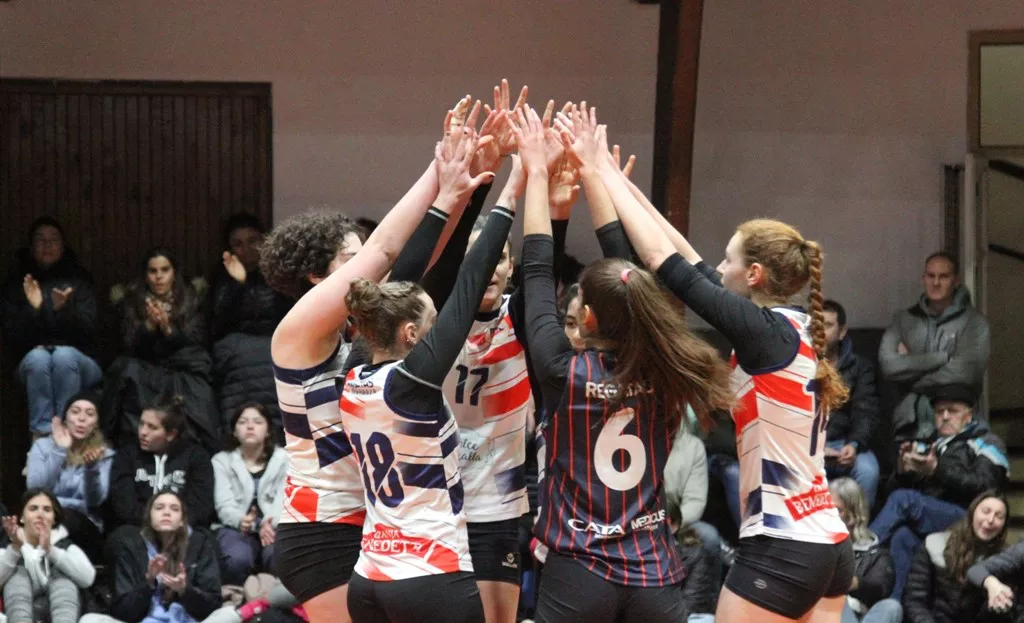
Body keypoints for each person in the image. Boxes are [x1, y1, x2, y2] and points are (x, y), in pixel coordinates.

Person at [601, 108, 853, 620]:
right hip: (828, 540)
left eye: (730, 259)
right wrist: (626, 195)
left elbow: (669, 268)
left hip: (781, 543)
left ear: (755, 274)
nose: (719, 267)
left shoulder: (763, 333)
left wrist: (598, 173)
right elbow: (691, 262)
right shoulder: (793, 329)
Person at [268, 117, 496, 623]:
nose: (369, 270)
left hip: (370, 531)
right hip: (320, 530)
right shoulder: (296, 333)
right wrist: (440, 179)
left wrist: (463, 193)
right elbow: (388, 251)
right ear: (320, 274)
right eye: (351, 260)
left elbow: (414, 273)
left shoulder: (361, 340)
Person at [516, 105, 733, 623]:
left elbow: (537, 270)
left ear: (585, 317)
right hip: (653, 569)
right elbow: (634, 281)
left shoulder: (561, 372)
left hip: (579, 569)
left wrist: (539, 177)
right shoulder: (668, 366)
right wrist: (596, 177)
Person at [337, 138, 517, 623]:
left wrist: (471, 191)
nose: (443, 329)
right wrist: (511, 189)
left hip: (368, 578)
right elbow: (471, 281)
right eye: (433, 325)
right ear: (412, 333)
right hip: (429, 577)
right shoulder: (411, 383)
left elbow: (408, 278)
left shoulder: (352, 375)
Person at [869, 383, 1008, 600]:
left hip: (970, 518)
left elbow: (987, 487)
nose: (944, 416)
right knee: (902, 536)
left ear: (968, 416)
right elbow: (890, 496)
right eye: (939, 411)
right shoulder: (929, 444)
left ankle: (860, 553)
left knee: (905, 500)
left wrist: (936, 470)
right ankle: (893, 608)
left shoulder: (986, 442)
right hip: (933, 518)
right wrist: (902, 472)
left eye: (952, 411)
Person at [102, 247, 219, 449]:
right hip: (145, 366)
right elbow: (126, 345)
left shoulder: (190, 299)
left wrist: (168, 330)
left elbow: (197, 341)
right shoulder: (132, 301)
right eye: (152, 271)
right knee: (125, 371)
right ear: (145, 275)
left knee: (196, 386)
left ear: (174, 272)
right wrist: (148, 326)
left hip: (181, 366)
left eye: (165, 270)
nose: (159, 277)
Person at [1, 216, 101, 437]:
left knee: (63, 357)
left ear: (63, 246)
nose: (47, 245)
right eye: (40, 240)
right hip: (32, 361)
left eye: (53, 240)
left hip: (81, 361)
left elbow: (90, 331)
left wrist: (63, 311)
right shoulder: (16, 283)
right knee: (39, 359)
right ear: (31, 246)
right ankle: (42, 441)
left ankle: (67, 437)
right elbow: (12, 336)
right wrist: (34, 310)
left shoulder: (79, 280)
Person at [879, 252, 990, 441]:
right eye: (931, 276)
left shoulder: (975, 324)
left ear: (956, 280)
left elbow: (966, 374)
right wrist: (939, 358)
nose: (936, 282)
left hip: (957, 424)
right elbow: (889, 366)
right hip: (908, 423)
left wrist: (911, 377)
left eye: (943, 276)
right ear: (923, 279)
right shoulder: (903, 320)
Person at [81, 489, 222, 623]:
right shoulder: (131, 547)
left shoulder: (199, 544)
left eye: (174, 509)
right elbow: (123, 612)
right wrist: (148, 583)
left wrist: (184, 590)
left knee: (228, 613)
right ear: (149, 517)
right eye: (159, 508)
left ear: (182, 521)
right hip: (145, 619)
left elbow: (212, 606)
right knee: (89, 620)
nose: (166, 512)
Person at [210, 213, 293, 429]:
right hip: (236, 347)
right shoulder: (221, 277)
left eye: (252, 241)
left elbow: (279, 314)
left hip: (273, 340)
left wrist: (246, 281)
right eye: (238, 244)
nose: (246, 249)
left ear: (264, 242)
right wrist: (238, 284)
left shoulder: (280, 272)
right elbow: (216, 324)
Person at [108, 395, 215, 546]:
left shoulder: (196, 457)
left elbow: (200, 504)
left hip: (182, 528)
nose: (143, 432)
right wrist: (154, 524)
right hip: (137, 528)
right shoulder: (127, 455)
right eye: (142, 424)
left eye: (152, 427)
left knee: (204, 541)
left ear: (171, 434)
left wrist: (172, 525)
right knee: (121, 539)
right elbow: (123, 503)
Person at [26, 390, 115, 562]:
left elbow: (95, 501)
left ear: (96, 423)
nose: (81, 419)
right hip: (44, 518)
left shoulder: (104, 454)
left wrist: (91, 469)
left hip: (85, 526)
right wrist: (60, 451)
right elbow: (35, 489)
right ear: (65, 418)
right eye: (75, 412)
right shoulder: (43, 447)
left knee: (65, 518)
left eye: (89, 414)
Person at [902, 491, 1011, 623]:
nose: (990, 520)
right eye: (986, 511)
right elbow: (915, 600)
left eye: (999, 516)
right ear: (972, 513)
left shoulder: (1007, 559)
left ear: (1004, 525)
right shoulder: (935, 544)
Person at [212, 402, 288, 586]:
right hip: (236, 526)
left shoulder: (286, 458)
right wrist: (244, 521)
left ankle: (279, 606)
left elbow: (284, 501)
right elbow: (224, 505)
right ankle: (238, 601)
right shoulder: (221, 461)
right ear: (234, 431)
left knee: (277, 556)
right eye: (243, 422)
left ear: (268, 430)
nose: (250, 426)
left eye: (257, 422)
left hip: (274, 526)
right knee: (238, 558)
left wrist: (267, 523)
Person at [0, 489, 96, 623]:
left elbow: (88, 578)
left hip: (63, 615)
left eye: (47, 509)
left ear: (54, 518)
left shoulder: (66, 545)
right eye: (33, 509)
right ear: (22, 516)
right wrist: (15, 549)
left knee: (62, 577)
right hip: (20, 614)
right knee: (17, 575)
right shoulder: (9, 546)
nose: (40, 514)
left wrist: (50, 550)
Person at [821, 300, 882, 510]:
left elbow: (866, 412)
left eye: (827, 325)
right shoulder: (799, 365)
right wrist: (815, 447)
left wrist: (854, 445)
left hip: (845, 444)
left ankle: (859, 536)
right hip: (808, 446)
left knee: (868, 471)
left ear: (841, 331)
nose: (820, 332)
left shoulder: (859, 367)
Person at [828, 478, 902, 623]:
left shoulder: (876, 555)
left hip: (858, 615)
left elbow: (880, 586)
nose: (828, 514)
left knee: (891, 607)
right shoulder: (813, 543)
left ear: (853, 514)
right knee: (838, 600)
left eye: (836, 510)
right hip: (823, 612)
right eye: (826, 508)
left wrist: (852, 582)